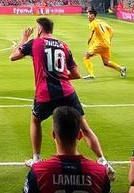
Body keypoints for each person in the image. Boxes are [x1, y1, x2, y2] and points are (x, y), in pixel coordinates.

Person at [10, 17, 115, 179]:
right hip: (67, 92)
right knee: (85, 128)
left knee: (35, 121)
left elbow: (13, 56)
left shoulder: (35, 43)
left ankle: (36, 159)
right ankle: (103, 162)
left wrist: (24, 38)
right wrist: (59, 77)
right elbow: (76, 74)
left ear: (39, 29)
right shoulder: (63, 45)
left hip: (44, 93)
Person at [10, 105, 113, 193]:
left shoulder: (39, 171)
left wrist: (35, 183)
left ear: (53, 134)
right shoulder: (100, 171)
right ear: (80, 135)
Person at [83, 8, 126, 79]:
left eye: (89, 15)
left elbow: (92, 32)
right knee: (106, 62)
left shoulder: (92, 23)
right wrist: (109, 39)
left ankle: (91, 74)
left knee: (86, 56)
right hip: (106, 43)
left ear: (93, 16)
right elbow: (111, 29)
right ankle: (121, 68)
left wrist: (89, 39)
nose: (88, 16)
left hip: (100, 43)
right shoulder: (100, 21)